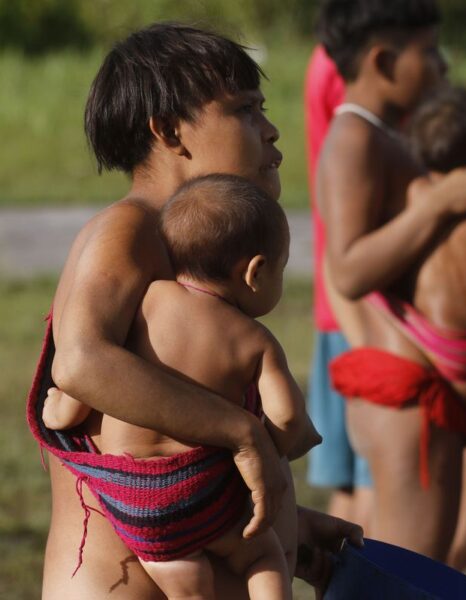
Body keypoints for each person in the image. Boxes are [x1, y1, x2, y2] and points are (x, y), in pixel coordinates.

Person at [29, 23, 362, 599]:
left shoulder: (191, 252)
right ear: (168, 131)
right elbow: (81, 362)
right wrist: (243, 434)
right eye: (244, 110)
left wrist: (283, 519)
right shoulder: (129, 230)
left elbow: (161, 439)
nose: (270, 128)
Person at [39, 175, 322, 600]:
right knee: (261, 558)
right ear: (256, 272)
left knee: (189, 588)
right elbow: (288, 418)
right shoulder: (253, 340)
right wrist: (281, 444)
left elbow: (97, 380)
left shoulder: (144, 303)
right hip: (202, 492)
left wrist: (59, 408)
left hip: (137, 504)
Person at [314, 0, 466, 561]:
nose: (443, 67)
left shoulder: (381, 137)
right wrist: (438, 204)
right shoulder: (356, 139)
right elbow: (349, 269)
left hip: (416, 390)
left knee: (419, 566)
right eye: (431, 52)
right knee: (405, 572)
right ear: (384, 61)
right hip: (402, 394)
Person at [303, 34, 375, 529]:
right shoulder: (348, 62)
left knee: (352, 491)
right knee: (376, 487)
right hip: (363, 314)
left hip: (340, 308)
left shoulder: (326, 57)